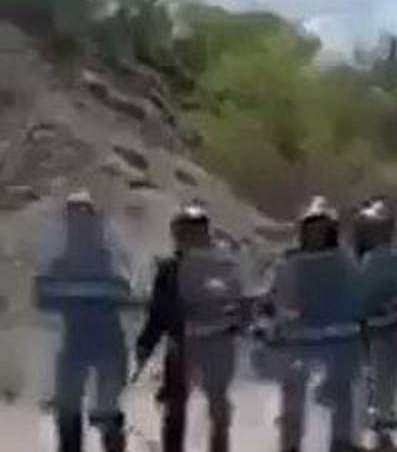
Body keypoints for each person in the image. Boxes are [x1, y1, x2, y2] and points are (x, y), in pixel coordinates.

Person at [136, 202, 246, 452]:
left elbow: (239, 300)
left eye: (195, 232)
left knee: (218, 405)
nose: (189, 238)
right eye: (185, 232)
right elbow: (158, 312)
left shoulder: (224, 266)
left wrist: (239, 323)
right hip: (182, 344)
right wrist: (145, 344)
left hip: (217, 344)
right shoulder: (169, 269)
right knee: (174, 406)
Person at [34, 191, 134, 452]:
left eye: (83, 214)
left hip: (105, 338)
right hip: (76, 339)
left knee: (107, 410)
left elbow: (126, 286)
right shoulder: (57, 254)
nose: (79, 221)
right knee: (69, 408)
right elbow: (41, 294)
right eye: (74, 215)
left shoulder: (110, 251)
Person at [264, 197, 364, 452]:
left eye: (321, 228)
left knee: (342, 392)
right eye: (311, 228)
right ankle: (291, 444)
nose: (315, 234)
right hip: (301, 340)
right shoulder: (290, 262)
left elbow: (357, 295)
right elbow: (279, 298)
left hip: (339, 339)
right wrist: (277, 321)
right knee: (293, 393)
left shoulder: (344, 260)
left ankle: (341, 442)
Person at [354, 199, 397, 447]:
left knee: (373, 374)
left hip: (372, 324)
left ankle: (376, 421)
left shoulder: (365, 259)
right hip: (386, 324)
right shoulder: (387, 258)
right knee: (385, 375)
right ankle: (381, 421)